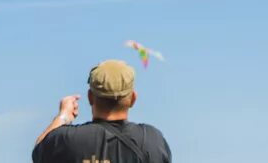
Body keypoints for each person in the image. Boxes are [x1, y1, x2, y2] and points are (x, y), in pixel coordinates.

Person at [33, 59, 172, 163]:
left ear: (90, 97)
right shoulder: (152, 141)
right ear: (133, 99)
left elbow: (39, 151)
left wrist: (63, 116)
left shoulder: (66, 140)